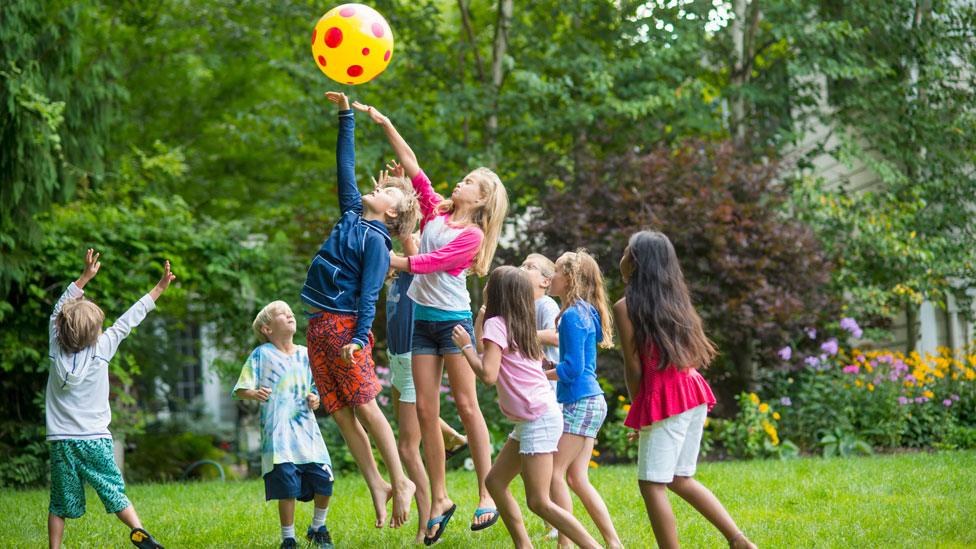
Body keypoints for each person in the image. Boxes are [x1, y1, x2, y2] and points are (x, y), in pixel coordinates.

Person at [353, 100, 508, 544]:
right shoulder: (438, 213)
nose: (460, 182)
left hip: (453, 323)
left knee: (466, 405)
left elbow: (428, 263)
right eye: (463, 179)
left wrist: (388, 258)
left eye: (470, 182)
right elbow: (412, 164)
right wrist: (385, 122)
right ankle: (439, 497)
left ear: (480, 200)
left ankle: (486, 491)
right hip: (422, 323)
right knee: (425, 411)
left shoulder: (472, 236)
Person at [301, 92, 418, 529]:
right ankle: (376, 485)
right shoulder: (352, 213)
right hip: (318, 326)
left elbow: (369, 295)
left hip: (344, 329)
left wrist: (357, 338)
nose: (378, 186)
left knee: (366, 406)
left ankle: (401, 479)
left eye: (387, 190)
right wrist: (346, 116)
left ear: (392, 212)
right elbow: (344, 168)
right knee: (341, 413)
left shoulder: (377, 241)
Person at [614, 230, 756, 549]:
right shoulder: (677, 302)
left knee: (652, 484)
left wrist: (641, 414)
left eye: (625, 253)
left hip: (668, 398)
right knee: (679, 477)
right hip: (692, 393)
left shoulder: (626, 307)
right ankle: (739, 541)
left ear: (635, 262)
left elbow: (634, 368)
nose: (620, 258)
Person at [452, 266, 600, 549]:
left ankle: (593, 547)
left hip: (537, 418)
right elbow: (489, 352)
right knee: (495, 482)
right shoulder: (517, 320)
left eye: (489, 283)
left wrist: (464, 348)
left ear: (495, 292)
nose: (484, 287)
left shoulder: (499, 324)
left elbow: (487, 374)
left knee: (539, 502)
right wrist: (480, 320)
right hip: (535, 416)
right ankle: (524, 545)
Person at [46, 248, 172, 549]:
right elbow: (129, 320)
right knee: (114, 490)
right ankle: (138, 529)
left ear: (62, 327)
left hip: (62, 440)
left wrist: (84, 278)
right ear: (95, 332)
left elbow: (57, 309)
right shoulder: (102, 348)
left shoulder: (54, 346)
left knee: (59, 500)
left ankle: (55, 547)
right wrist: (158, 288)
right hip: (95, 439)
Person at [385, 228, 468, 544]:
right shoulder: (396, 279)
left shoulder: (415, 273)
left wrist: (399, 200)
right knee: (410, 428)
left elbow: (409, 240)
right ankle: (452, 436)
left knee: (407, 446)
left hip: (410, 356)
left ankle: (427, 522)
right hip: (397, 359)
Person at [234, 301, 335, 549]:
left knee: (325, 479)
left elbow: (314, 387)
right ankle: (288, 538)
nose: (289, 315)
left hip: (307, 434)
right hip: (278, 437)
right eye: (281, 314)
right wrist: (254, 393)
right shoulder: (261, 354)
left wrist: (315, 398)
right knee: (287, 488)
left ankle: (317, 527)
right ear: (267, 329)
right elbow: (240, 389)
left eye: (290, 312)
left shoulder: (305, 354)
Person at [545, 250, 623, 549]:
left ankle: (566, 544)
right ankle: (613, 543)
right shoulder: (584, 311)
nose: (551, 277)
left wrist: (544, 375)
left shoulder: (572, 317)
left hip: (582, 401)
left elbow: (572, 369)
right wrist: (549, 369)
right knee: (577, 477)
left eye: (556, 272)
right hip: (591, 401)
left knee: (555, 473)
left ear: (570, 278)